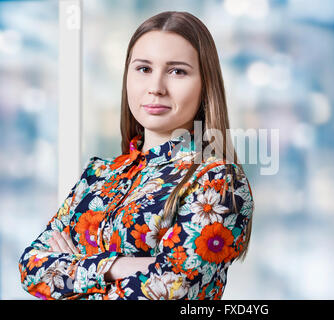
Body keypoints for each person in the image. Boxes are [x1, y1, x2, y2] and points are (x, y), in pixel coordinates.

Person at [18, 11, 254, 300]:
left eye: (177, 71)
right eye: (143, 69)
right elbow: (30, 266)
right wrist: (118, 266)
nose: (156, 87)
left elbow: (174, 288)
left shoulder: (217, 180)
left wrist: (73, 271)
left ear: (205, 85)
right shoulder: (98, 176)